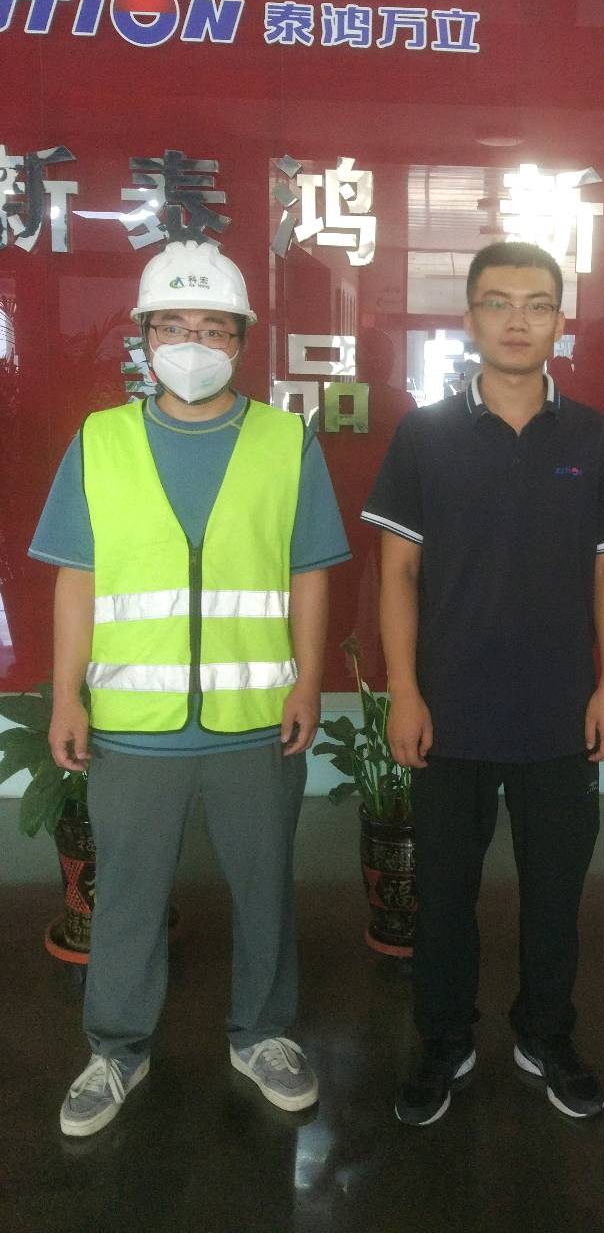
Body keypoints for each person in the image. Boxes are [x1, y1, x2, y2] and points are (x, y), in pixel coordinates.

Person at [31, 240, 350, 1137]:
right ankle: (116, 1050)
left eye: (213, 328)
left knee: (265, 890)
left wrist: (308, 683)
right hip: (134, 726)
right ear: (144, 337)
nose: (193, 344)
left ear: (241, 340)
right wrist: (66, 696)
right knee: (128, 897)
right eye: (173, 325)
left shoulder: (285, 440)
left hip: (256, 720)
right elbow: (77, 579)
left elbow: (310, 572)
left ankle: (263, 1035)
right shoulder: (101, 441)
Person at [362, 240, 604, 1126]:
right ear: (469, 319)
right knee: (443, 894)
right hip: (447, 710)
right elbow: (396, 573)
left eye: (536, 304)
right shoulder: (425, 435)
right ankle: (443, 1040)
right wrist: (405, 691)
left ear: (560, 321)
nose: (517, 320)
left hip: (559, 710)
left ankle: (546, 1035)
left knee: (555, 894)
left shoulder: (596, 439)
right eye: (497, 302)